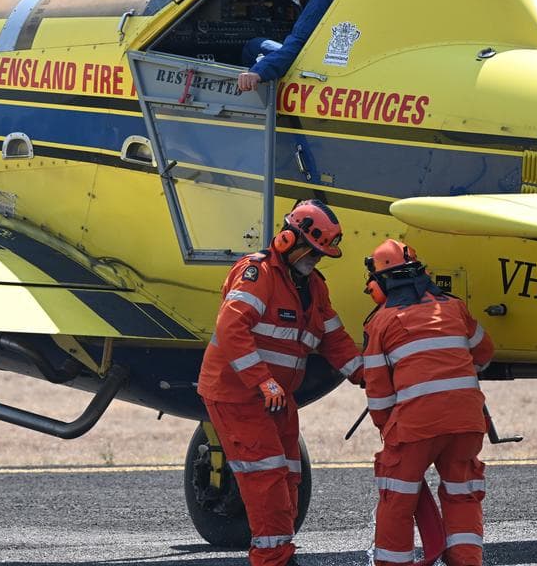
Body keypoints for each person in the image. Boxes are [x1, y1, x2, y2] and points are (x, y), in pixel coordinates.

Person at [197, 199, 365, 566]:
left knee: (288, 475)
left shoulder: (313, 287)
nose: (316, 259)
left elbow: (332, 336)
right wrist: (263, 382)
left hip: (275, 397)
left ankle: (280, 552)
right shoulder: (258, 275)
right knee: (268, 477)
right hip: (239, 394)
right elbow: (231, 328)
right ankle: (272, 558)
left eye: (322, 255)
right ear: (289, 240)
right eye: (314, 251)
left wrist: (364, 374)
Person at [361, 239, 495, 566]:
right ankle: (466, 561)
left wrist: (388, 431)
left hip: (416, 427)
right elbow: (484, 353)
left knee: (398, 500)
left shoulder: (380, 323)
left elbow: (378, 395)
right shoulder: (454, 307)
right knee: (462, 494)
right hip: (467, 422)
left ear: (381, 283)